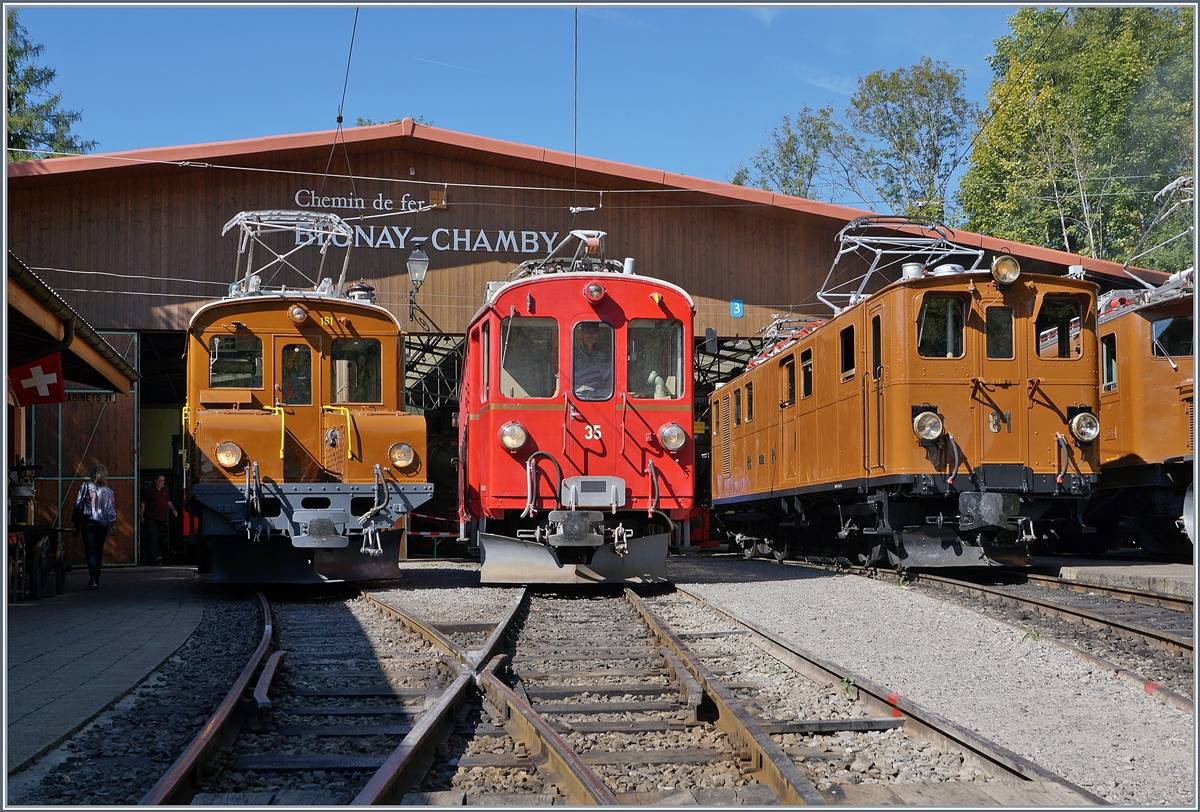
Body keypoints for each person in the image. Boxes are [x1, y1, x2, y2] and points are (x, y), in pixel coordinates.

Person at [75, 464, 117, 590]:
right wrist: (113, 524)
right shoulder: (108, 491)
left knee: (90, 551)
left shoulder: (85, 486)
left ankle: (93, 578)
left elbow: (77, 503)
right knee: (98, 551)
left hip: (88, 522)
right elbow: (110, 510)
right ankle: (96, 577)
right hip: (102, 525)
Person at [140, 474, 178, 566]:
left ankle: (155, 558)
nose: (162, 482)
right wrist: (141, 516)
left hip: (161, 519)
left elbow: (169, 502)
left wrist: (173, 509)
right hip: (151, 518)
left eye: (164, 481)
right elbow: (143, 504)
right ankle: (154, 558)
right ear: (155, 481)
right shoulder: (149, 490)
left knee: (158, 538)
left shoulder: (164, 491)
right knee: (153, 537)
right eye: (160, 480)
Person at [573, 322, 613, 400]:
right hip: (578, 395)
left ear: (597, 334)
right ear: (582, 334)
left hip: (603, 396)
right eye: (587, 332)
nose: (590, 335)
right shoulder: (574, 353)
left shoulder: (605, 353)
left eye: (593, 332)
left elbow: (611, 375)